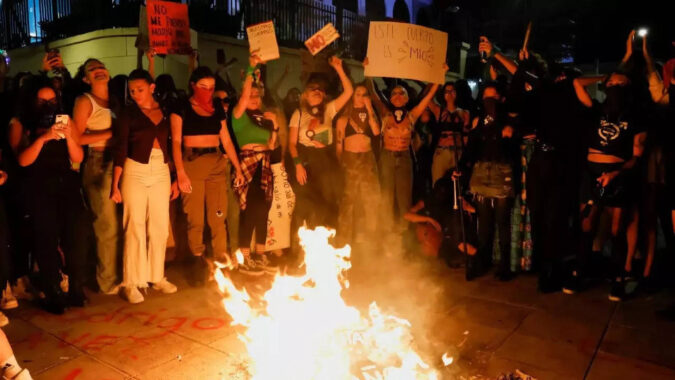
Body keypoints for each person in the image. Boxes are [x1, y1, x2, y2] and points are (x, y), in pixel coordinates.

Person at [566, 69, 647, 302]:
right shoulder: (597, 110)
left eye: (619, 84)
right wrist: (603, 79)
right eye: (611, 83)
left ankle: (619, 278)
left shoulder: (636, 117)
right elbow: (578, 83)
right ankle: (578, 272)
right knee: (587, 223)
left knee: (616, 230)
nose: (614, 86)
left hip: (618, 175)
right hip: (592, 173)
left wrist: (615, 173)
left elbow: (636, 157)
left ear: (628, 88)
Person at [8, 80, 89, 314]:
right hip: (39, 187)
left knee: (76, 236)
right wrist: (44, 138)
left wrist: (69, 136)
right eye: (42, 101)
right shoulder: (21, 124)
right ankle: (53, 292)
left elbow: (77, 157)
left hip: (66, 185)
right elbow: (22, 160)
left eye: (52, 100)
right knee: (46, 241)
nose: (48, 105)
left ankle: (76, 288)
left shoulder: (64, 119)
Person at [110, 69, 179, 304]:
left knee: (160, 226)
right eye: (131, 91)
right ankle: (132, 282)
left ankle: (156, 276)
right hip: (134, 169)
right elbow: (120, 149)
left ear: (151, 88)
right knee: (134, 225)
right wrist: (115, 184)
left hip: (161, 169)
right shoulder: (127, 115)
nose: (135, 94)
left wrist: (176, 176)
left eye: (139, 89)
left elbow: (174, 144)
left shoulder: (166, 111)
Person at [171, 67, 244, 286]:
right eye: (203, 87)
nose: (208, 91)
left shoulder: (217, 110)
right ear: (193, 85)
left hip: (216, 165)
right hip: (192, 165)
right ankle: (198, 264)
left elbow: (227, 140)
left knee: (218, 215)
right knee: (195, 218)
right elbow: (175, 142)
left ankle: (221, 260)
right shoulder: (181, 107)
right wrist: (181, 172)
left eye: (211, 88)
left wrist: (238, 167)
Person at [367, 60, 447, 240]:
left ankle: (403, 239)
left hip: (404, 159)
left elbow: (427, 97)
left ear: (407, 98)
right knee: (386, 200)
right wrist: (368, 70)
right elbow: (373, 94)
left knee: (404, 201)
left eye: (401, 93)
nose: (397, 96)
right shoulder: (385, 114)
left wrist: (440, 76)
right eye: (394, 93)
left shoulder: (412, 115)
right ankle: (386, 238)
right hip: (387, 157)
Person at [456, 82, 518, 281]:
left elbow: (512, 151)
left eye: (493, 97)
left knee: (502, 220)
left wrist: (508, 136)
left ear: (500, 99)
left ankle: (505, 265)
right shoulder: (478, 121)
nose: (489, 102)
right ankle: (483, 261)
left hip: (501, 172)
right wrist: (461, 166)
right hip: (481, 172)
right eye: (486, 98)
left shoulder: (509, 119)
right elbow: (471, 148)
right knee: (484, 222)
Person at [72, 58, 121, 295]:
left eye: (101, 66)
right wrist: (112, 132)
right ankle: (106, 280)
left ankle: (115, 273)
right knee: (106, 224)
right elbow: (76, 138)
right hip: (98, 162)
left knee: (117, 222)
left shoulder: (115, 99)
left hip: (118, 161)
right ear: (85, 79)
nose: (98, 70)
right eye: (91, 69)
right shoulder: (84, 101)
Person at [288, 56, 353, 229]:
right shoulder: (299, 114)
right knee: (307, 203)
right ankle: (303, 247)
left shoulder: (329, 110)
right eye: (312, 89)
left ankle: (329, 244)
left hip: (326, 161)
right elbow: (292, 143)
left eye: (320, 89)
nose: (317, 91)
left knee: (329, 202)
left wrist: (339, 68)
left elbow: (348, 92)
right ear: (305, 94)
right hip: (307, 162)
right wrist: (298, 165)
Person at [230, 52, 278, 274]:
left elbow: (271, 144)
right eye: (251, 96)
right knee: (249, 211)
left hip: (264, 166)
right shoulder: (238, 116)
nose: (254, 99)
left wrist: (275, 126)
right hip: (248, 165)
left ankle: (260, 254)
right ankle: (245, 258)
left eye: (257, 97)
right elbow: (243, 96)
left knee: (263, 211)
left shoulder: (263, 118)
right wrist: (251, 69)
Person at [335, 83, 381, 248]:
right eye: (358, 94)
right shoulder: (343, 118)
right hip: (350, 159)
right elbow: (339, 144)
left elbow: (376, 132)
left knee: (371, 198)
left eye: (364, 94)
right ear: (352, 96)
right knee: (348, 199)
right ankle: (344, 238)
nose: (362, 97)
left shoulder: (370, 115)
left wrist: (369, 108)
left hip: (367, 158)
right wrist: (340, 163)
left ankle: (371, 237)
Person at [427, 82, 470, 186]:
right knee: (438, 184)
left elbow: (466, 136)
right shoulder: (439, 110)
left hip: (457, 152)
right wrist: (435, 83)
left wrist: (466, 157)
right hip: (442, 152)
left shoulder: (464, 113)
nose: (450, 94)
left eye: (453, 91)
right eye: (447, 91)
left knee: (456, 186)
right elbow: (427, 99)